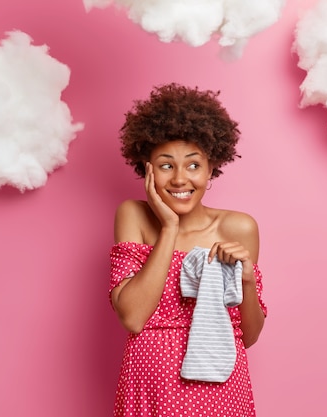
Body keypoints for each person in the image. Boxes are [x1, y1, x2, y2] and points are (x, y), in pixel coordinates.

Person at [109, 83, 267, 417]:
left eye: (193, 165)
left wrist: (248, 281)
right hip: (149, 384)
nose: (180, 179)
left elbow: (248, 336)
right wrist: (169, 227)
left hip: (220, 385)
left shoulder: (238, 228)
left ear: (212, 168)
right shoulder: (133, 215)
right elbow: (133, 317)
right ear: (147, 169)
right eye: (166, 165)